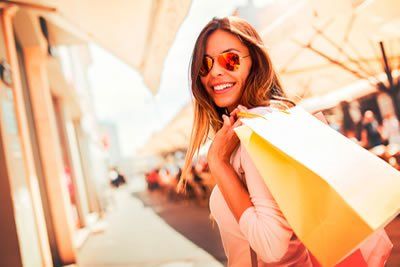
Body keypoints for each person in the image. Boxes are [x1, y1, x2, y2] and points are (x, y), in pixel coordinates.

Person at [179, 16, 392, 266]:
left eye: (230, 59)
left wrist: (218, 163)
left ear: (254, 63)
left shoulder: (257, 130)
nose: (215, 71)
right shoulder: (276, 121)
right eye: (205, 65)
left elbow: (272, 247)